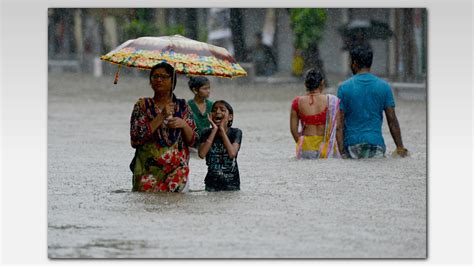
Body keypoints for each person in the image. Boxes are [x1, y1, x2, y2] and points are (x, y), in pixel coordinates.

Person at [129, 62, 198, 192]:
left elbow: (194, 141)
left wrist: (183, 125)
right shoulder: (143, 105)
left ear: (173, 81)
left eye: (164, 76)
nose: (158, 80)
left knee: (176, 209)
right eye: (155, 76)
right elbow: (136, 139)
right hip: (147, 171)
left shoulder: (183, 106)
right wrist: (161, 116)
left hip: (177, 172)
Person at [336, 43, 408, 159]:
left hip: (351, 146)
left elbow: (339, 125)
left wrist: (341, 153)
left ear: (354, 63)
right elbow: (392, 121)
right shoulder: (384, 87)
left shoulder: (344, 88)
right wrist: (400, 147)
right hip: (376, 144)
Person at [290, 68, 340, 159]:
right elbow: (338, 128)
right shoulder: (331, 101)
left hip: (306, 147)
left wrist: (301, 143)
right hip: (326, 147)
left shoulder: (297, 102)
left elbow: (293, 130)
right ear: (322, 83)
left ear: (305, 84)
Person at [198, 100, 242, 191]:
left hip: (231, 184)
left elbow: (232, 153)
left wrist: (221, 130)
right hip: (211, 184)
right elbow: (202, 154)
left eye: (222, 110)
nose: (217, 112)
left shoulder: (236, 132)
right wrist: (214, 130)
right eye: (214, 110)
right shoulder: (205, 132)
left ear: (230, 117)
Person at [187, 76, 213, 143]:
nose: (208, 91)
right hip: (191, 141)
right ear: (195, 90)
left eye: (209, 88)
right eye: (205, 89)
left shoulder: (211, 105)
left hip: (206, 141)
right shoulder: (188, 105)